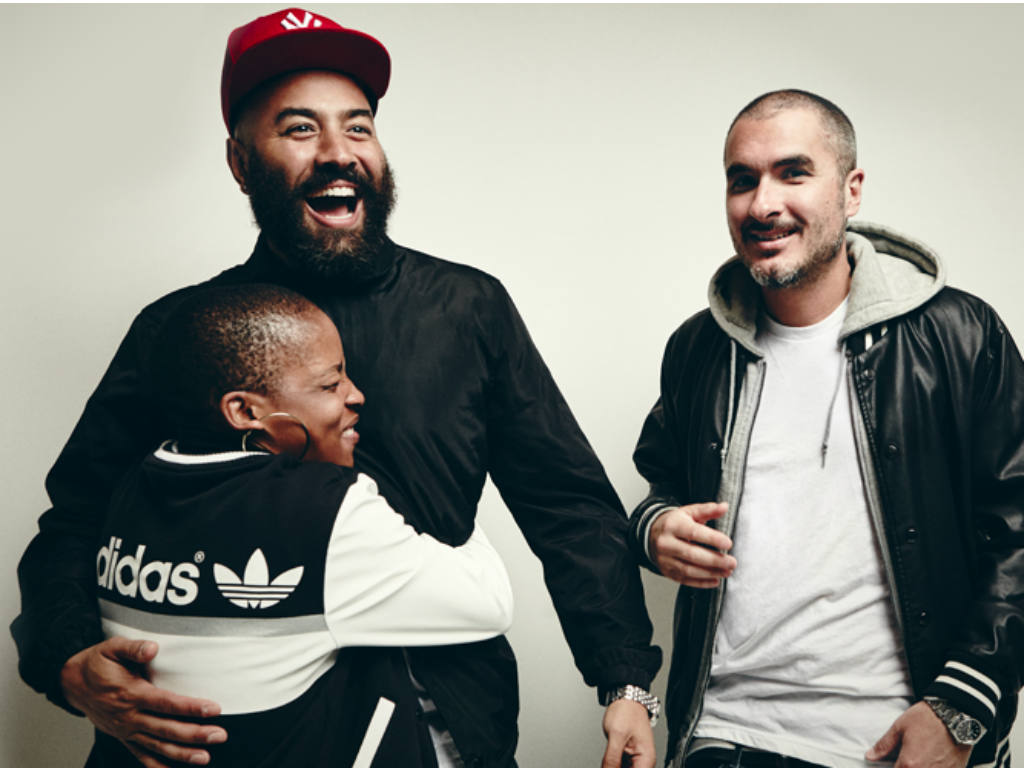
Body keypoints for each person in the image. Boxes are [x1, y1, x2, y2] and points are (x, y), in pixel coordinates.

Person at [11, 7, 661, 768]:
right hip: (226, 742)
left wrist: (625, 680)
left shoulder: (466, 308)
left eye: (358, 127)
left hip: (440, 729)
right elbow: (77, 518)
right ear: (240, 163)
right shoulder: (180, 331)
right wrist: (66, 659)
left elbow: (567, 504)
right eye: (299, 128)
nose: (337, 152)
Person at [629, 89, 1024, 768]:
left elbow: (1017, 523)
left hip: (899, 740)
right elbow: (660, 488)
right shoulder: (699, 348)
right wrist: (656, 527)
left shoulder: (958, 334)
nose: (762, 204)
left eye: (793, 173)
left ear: (851, 190)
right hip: (726, 734)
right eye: (742, 180)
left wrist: (960, 707)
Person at [90, 282, 514, 767]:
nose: (357, 395)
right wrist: (447, 488)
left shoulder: (130, 490)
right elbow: (488, 603)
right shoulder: (326, 513)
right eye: (330, 385)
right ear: (245, 411)